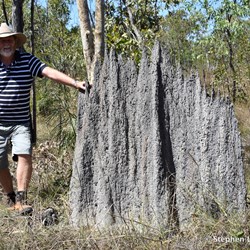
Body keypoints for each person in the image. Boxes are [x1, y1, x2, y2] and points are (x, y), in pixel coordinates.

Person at [0, 23, 87, 214]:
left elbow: (49, 72)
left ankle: (21, 200)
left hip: (20, 122)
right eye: (2, 40)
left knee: (24, 153)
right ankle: (11, 198)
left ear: (15, 42)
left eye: (9, 39)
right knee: (0, 162)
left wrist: (74, 83)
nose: (6, 43)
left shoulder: (27, 60)